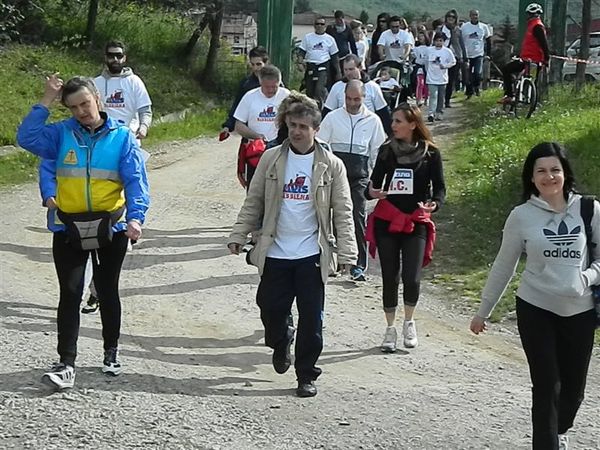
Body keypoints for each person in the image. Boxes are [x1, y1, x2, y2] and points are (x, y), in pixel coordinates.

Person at [17, 75, 150, 390]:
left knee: (106, 289)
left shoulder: (122, 137)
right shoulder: (60, 134)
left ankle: (110, 352)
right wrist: (47, 99)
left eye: (85, 104)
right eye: (74, 107)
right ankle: (67, 363)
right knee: (71, 292)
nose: (81, 111)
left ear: (98, 100)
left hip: (112, 226)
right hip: (68, 227)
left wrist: (136, 218)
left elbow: (135, 180)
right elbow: (26, 137)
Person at [470, 142, 598, 450]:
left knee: (573, 392)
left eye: (555, 169)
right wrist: (483, 310)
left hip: (579, 312)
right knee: (545, 386)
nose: (549, 176)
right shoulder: (521, 216)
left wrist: (585, 278)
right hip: (536, 307)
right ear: (531, 177)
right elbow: (504, 265)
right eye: (541, 170)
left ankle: (560, 430)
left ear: (565, 173)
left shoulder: (589, 209)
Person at [228, 95, 357, 398]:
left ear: (316, 128)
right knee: (270, 308)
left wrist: (348, 253)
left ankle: (306, 374)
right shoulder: (271, 159)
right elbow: (254, 201)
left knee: (312, 319)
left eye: (303, 126)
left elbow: (343, 210)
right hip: (275, 250)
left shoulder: (331, 165)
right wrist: (238, 234)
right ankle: (280, 337)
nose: (297, 131)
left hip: (311, 253)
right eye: (292, 125)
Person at [365, 102, 445, 352]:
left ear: (413, 124)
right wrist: (372, 192)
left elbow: (440, 188)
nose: (393, 125)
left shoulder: (431, 153)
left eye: (398, 121)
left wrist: (435, 204)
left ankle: (409, 321)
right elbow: (373, 184)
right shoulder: (387, 150)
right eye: (393, 121)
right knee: (390, 275)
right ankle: (389, 329)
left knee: (412, 276)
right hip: (388, 218)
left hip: (416, 220)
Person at [317, 80, 386, 281]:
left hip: (359, 177)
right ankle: (330, 260)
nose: (352, 103)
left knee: (356, 217)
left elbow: (378, 153)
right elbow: (321, 145)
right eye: (348, 98)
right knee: (326, 218)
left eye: (356, 99)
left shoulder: (373, 121)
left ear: (364, 98)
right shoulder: (332, 118)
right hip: (333, 176)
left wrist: (376, 180)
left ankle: (357, 264)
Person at [233, 65, 290, 189]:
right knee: (255, 188)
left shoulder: (286, 96)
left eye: (274, 87)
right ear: (260, 82)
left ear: (279, 82)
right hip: (256, 150)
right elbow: (239, 125)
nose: (270, 91)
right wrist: (256, 136)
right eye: (266, 87)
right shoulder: (250, 97)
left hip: (280, 149)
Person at [94, 40, 152, 140]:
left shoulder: (134, 81)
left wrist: (143, 127)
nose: (115, 59)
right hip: (103, 139)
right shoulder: (96, 83)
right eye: (111, 56)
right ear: (106, 58)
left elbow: (145, 110)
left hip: (130, 137)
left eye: (119, 55)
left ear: (124, 58)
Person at [322, 54, 391, 134]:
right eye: (346, 70)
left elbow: (383, 114)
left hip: (367, 130)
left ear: (360, 68)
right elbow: (327, 112)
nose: (348, 73)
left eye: (351, 69)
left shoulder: (373, 87)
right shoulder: (337, 87)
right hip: (342, 130)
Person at [499, 3, 549, 104]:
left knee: (506, 70)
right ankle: (528, 100)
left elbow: (544, 44)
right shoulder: (534, 26)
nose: (527, 17)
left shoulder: (536, 26)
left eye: (528, 14)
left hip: (531, 60)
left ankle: (509, 95)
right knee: (531, 80)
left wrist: (546, 58)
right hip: (530, 58)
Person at [220, 46, 270, 140]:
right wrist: (228, 126)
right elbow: (237, 106)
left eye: (258, 64)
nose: (255, 68)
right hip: (250, 135)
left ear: (266, 63)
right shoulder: (246, 84)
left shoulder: (276, 83)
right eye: (252, 64)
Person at [298, 17, 341, 108]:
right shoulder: (308, 37)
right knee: (309, 91)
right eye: (317, 24)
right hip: (310, 66)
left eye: (322, 24)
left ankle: (320, 109)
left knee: (319, 89)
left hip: (323, 67)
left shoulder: (330, 39)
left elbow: (335, 57)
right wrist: (300, 63)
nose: (319, 26)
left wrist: (338, 72)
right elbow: (301, 52)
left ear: (325, 26)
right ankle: (309, 109)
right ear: (314, 25)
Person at [426, 32, 456, 122]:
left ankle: (439, 113)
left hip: (442, 78)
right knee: (433, 95)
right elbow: (426, 62)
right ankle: (431, 113)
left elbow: (453, 62)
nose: (438, 43)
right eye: (437, 41)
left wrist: (446, 66)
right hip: (431, 78)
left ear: (443, 41)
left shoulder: (447, 51)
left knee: (441, 97)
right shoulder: (429, 50)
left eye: (440, 41)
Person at [460, 10, 491, 99]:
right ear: (470, 16)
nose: (475, 17)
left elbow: (488, 40)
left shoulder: (483, 27)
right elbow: (460, 40)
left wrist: (488, 54)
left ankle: (476, 87)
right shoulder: (464, 27)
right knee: (467, 75)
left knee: (478, 73)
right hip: (467, 54)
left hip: (479, 54)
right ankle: (469, 92)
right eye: (473, 15)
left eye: (476, 15)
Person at [441, 10, 466, 107]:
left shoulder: (458, 30)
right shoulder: (441, 29)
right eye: (449, 17)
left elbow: (462, 45)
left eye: (453, 17)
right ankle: (440, 99)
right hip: (442, 56)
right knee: (442, 80)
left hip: (455, 57)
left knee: (451, 80)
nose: (451, 19)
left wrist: (464, 57)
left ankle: (447, 100)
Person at [413, 31, 430, 107]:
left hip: (427, 67)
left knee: (427, 84)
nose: (421, 38)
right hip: (419, 67)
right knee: (420, 83)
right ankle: (418, 99)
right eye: (419, 36)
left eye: (422, 36)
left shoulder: (430, 48)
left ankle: (426, 98)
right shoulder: (416, 48)